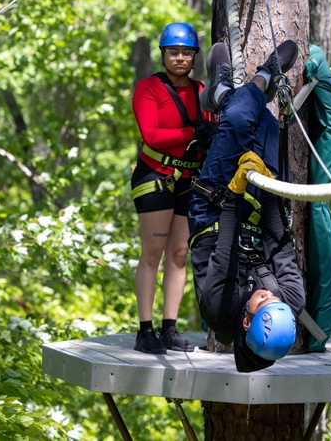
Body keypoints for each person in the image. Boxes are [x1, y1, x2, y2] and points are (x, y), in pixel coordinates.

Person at [189, 39, 306, 373]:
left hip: (213, 211)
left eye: (265, 304)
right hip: (259, 215)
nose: (271, 297)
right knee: (267, 125)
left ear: (245, 323)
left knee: (240, 120)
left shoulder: (220, 312)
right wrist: (266, 184)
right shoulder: (291, 301)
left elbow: (224, 251)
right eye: (276, 302)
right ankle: (225, 94)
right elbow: (279, 244)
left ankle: (258, 80)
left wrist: (236, 192)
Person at [130, 22, 215, 354]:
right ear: (163, 55)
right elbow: (151, 135)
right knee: (153, 254)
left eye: (186, 52)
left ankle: (169, 329)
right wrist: (193, 132)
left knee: (179, 255)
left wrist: (208, 131)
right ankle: (144, 330)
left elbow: (212, 125)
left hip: (188, 179)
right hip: (155, 177)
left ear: (194, 56)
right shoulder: (148, 88)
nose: (180, 58)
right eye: (173, 52)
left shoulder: (201, 91)